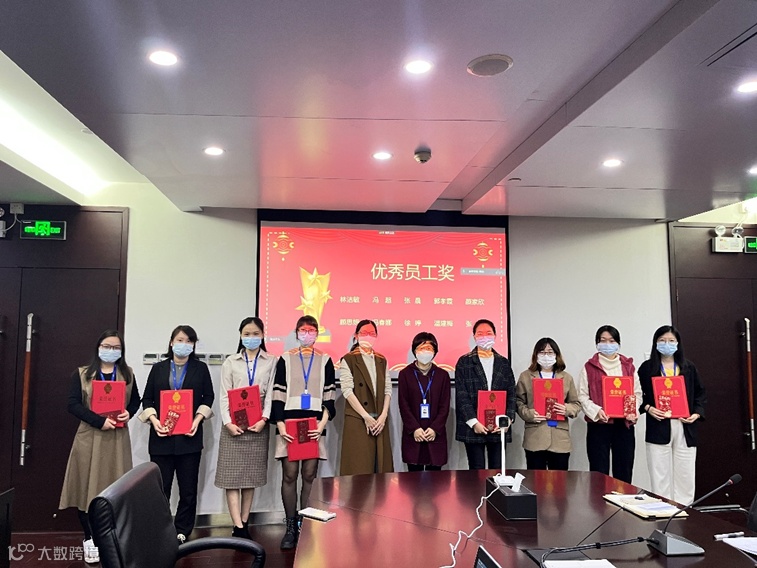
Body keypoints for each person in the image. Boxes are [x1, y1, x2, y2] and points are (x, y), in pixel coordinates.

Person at [59, 330, 140, 565]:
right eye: (107, 346)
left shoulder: (127, 374)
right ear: (98, 347)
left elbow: (136, 401)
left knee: (116, 490)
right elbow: (73, 404)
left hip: (117, 439)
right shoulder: (82, 374)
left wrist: (129, 413)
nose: (111, 351)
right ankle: (89, 538)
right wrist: (98, 421)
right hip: (90, 438)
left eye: (116, 347)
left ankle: (113, 539)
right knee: (86, 488)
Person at [138, 325, 214, 543]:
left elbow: (208, 397)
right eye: (180, 340)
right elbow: (147, 399)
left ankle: (182, 530)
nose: (184, 344)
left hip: (189, 437)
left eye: (189, 341)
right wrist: (154, 421)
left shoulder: (200, 368)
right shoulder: (159, 368)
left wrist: (197, 420)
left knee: (188, 489)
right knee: (160, 488)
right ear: (171, 342)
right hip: (162, 437)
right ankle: (159, 529)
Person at [271, 315, 336, 550]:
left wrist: (322, 424)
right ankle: (290, 526)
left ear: (317, 333)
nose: (307, 334)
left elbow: (330, 396)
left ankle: (305, 525)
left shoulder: (325, 360)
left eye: (311, 330)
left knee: (309, 475)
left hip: (314, 425)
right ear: (296, 332)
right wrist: (280, 424)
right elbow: (278, 393)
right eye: (303, 330)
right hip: (289, 424)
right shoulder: (285, 359)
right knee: (289, 475)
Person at [214, 317, 277, 538]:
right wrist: (228, 423)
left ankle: (245, 521)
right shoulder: (230, 362)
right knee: (231, 478)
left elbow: (271, 394)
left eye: (256, 334)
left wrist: (264, 419)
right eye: (247, 334)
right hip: (233, 425)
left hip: (258, 424)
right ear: (240, 336)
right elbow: (224, 395)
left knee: (250, 477)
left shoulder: (272, 361)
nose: (251, 338)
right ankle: (237, 526)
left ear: (263, 335)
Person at [639, 325, 706, 504]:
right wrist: (648, 408)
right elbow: (637, 395)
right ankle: (661, 509)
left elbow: (700, 394)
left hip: (685, 425)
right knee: (659, 473)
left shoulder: (688, 367)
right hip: (659, 424)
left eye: (671, 341)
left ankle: (684, 509)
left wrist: (696, 414)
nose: (666, 344)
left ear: (678, 343)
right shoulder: (647, 368)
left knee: (685, 473)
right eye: (662, 340)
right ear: (655, 343)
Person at [577, 324, 642, 483]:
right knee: (599, 472)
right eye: (603, 340)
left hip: (624, 425)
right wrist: (596, 411)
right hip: (599, 424)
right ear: (597, 343)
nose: (607, 344)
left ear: (618, 343)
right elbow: (582, 395)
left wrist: (633, 411)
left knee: (624, 471)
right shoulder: (589, 367)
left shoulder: (628, 366)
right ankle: (599, 500)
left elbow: (637, 393)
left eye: (611, 341)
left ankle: (623, 498)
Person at [454, 319, 516, 470]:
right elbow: (461, 395)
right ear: (474, 337)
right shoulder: (465, 362)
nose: (484, 337)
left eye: (488, 333)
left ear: (495, 335)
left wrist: (507, 420)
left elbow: (512, 393)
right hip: (474, 425)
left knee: (498, 469)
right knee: (476, 470)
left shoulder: (503, 362)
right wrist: (473, 422)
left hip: (499, 425)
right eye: (480, 334)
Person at [516, 338, 581, 470]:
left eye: (550, 352)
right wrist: (529, 414)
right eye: (542, 352)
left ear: (557, 355)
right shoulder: (526, 376)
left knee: (560, 480)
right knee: (535, 480)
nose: (546, 356)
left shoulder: (566, 377)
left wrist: (566, 409)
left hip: (560, 439)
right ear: (536, 355)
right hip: (535, 436)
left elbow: (576, 403)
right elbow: (518, 402)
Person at [339, 319, 393, 475]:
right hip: (358, 418)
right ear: (356, 335)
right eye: (364, 333)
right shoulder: (348, 359)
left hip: (379, 420)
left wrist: (383, 416)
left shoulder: (381, 360)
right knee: (359, 468)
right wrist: (366, 416)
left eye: (372, 333)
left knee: (380, 468)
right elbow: (347, 390)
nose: (368, 336)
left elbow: (388, 389)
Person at [397, 332, 451, 471]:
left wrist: (435, 428)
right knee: (413, 479)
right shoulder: (405, 374)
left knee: (436, 480)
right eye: (421, 348)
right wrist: (415, 429)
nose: (425, 352)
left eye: (429, 348)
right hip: (414, 434)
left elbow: (445, 406)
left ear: (435, 351)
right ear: (414, 350)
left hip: (435, 434)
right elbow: (403, 404)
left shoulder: (442, 375)